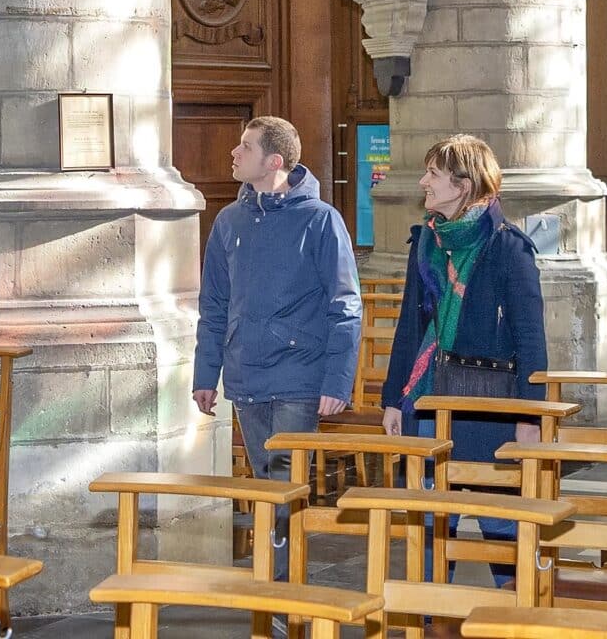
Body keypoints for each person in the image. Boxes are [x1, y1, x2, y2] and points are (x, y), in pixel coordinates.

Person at [192, 116, 361, 582]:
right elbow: (215, 305)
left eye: (244, 147)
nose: (233, 153)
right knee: (266, 485)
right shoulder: (229, 221)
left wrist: (336, 380)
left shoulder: (321, 220)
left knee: (287, 487)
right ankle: (272, 588)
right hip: (246, 372)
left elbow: (345, 306)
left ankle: (284, 592)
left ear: (275, 161)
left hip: (298, 377)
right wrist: (206, 375)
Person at [380, 133, 548, 587]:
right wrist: (394, 398)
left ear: (463, 183)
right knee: (432, 520)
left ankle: (518, 617)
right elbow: (409, 329)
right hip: (431, 396)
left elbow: (531, 340)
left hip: (488, 407)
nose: (423, 183)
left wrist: (531, 417)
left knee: (500, 523)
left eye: (432, 174)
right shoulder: (426, 244)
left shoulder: (507, 247)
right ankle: (430, 618)